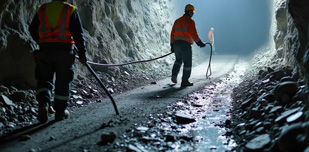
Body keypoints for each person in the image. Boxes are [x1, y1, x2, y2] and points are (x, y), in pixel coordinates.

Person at [29, 0, 87, 123]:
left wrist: (41, 41)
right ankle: (60, 112)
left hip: (45, 50)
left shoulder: (42, 9)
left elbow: (32, 29)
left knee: (44, 79)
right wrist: (82, 54)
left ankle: (43, 104)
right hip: (64, 52)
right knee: (63, 81)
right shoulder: (70, 10)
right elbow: (78, 35)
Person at [170, 4, 206, 87]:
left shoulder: (177, 21)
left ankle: (174, 75)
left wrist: (172, 45)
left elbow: (172, 34)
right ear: (189, 12)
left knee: (178, 60)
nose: (193, 14)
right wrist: (200, 43)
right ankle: (185, 81)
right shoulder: (190, 21)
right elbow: (194, 34)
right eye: (192, 12)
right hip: (185, 45)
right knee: (187, 63)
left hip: (176, 44)